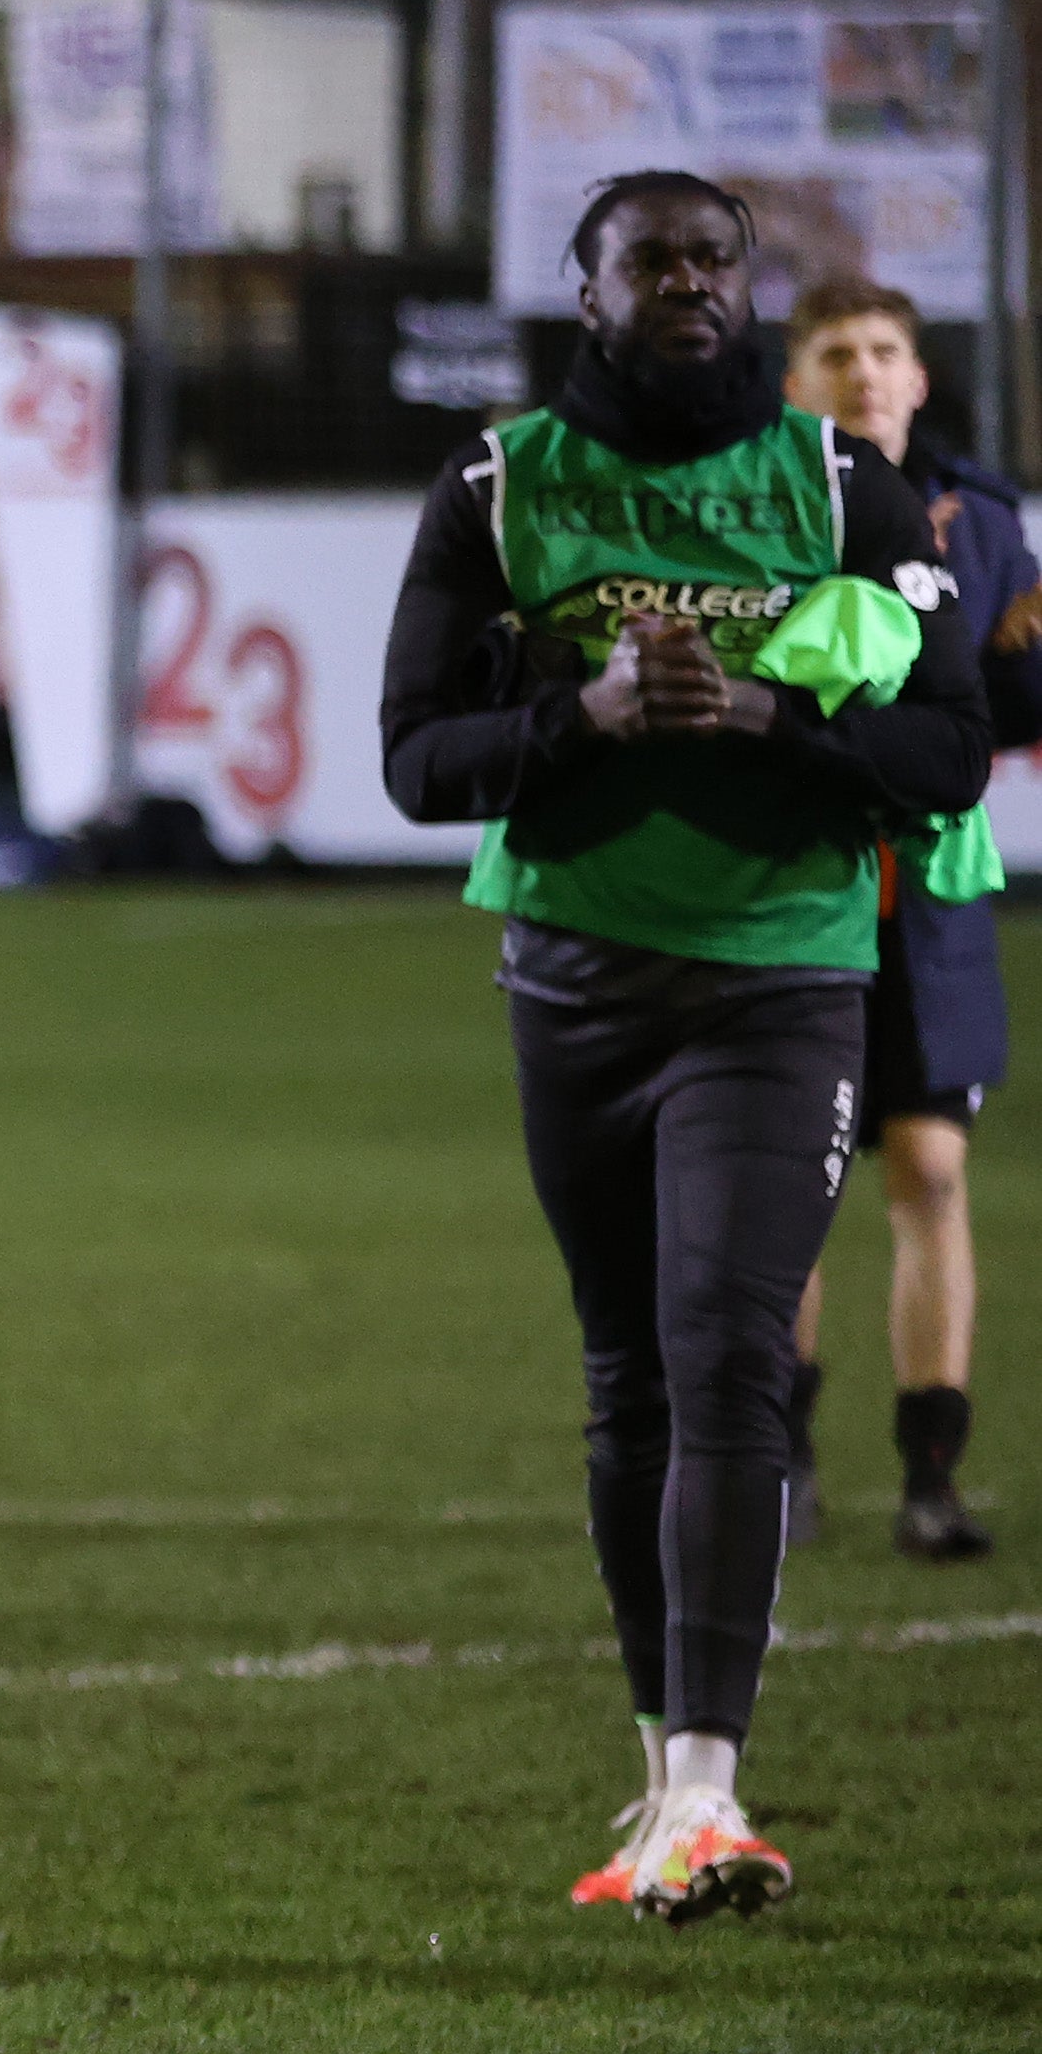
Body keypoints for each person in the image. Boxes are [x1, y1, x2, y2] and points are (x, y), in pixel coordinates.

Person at [379, 175, 992, 1927]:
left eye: (715, 259)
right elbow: (416, 755)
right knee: (624, 1376)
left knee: (725, 1355)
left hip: (779, 981)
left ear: (748, 287)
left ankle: (712, 1789)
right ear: (582, 289)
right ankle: (664, 1780)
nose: (687, 283)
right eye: (648, 258)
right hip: (574, 981)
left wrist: (767, 715)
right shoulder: (502, 486)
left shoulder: (837, 483)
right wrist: (575, 714)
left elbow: (949, 746)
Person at [779, 279, 1026, 1563]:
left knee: (928, 1169)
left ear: (919, 377)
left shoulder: (979, 518)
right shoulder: (763, 504)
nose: (863, 371)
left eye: (884, 351)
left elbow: (1012, 698)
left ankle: (930, 1473)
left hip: (926, 890)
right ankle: (782, 1463)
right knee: (794, 1182)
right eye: (835, 353)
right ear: (794, 381)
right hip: (792, 880)